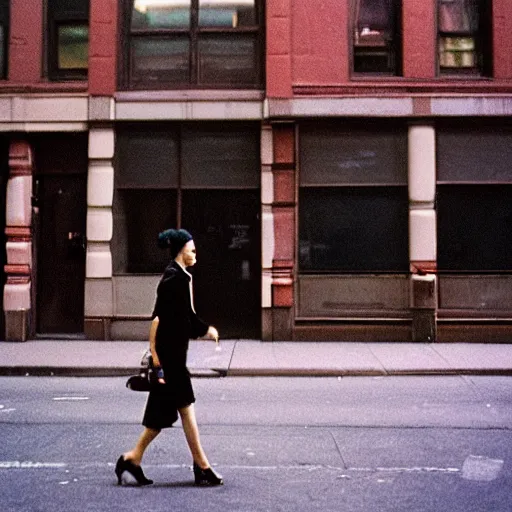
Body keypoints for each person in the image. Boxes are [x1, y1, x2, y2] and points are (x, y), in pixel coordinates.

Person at [115, 229, 223, 487]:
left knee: (161, 418)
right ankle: (202, 467)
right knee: (184, 409)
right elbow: (176, 318)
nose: (195, 253)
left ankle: (132, 459)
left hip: (171, 356)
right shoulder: (174, 279)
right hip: (170, 359)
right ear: (180, 251)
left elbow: (174, 316)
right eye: (192, 249)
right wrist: (205, 330)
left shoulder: (178, 276)